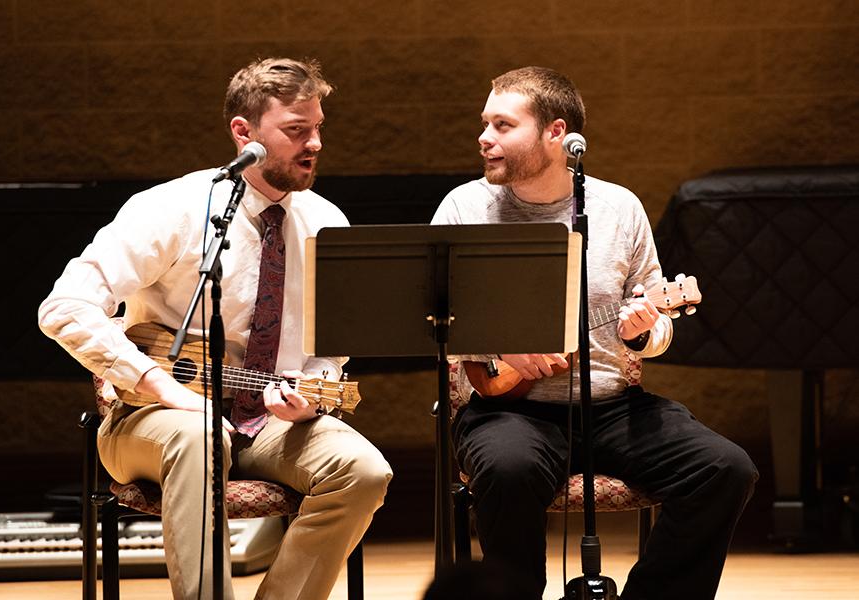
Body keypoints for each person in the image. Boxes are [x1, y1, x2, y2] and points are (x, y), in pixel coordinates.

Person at [39, 57, 392, 600]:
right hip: (152, 419)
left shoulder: (326, 221)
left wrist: (311, 394)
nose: (315, 143)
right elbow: (64, 306)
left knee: (363, 472)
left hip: (267, 422)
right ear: (243, 133)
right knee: (201, 436)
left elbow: (330, 350)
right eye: (296, 130)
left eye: (318, 127)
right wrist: (160, 386)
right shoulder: (170, 210)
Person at [430, 66, 758, 599]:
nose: (484, 138)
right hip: (507, 410)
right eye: (485, 124)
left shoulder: (618, 208)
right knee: (507, 469)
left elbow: (659, 327)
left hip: (612, 406)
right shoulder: (464, 208)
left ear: (556, 134)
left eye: (503, 125)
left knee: (725, 468)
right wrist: (497, 344)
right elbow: (434, 318)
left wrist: (640, 332)